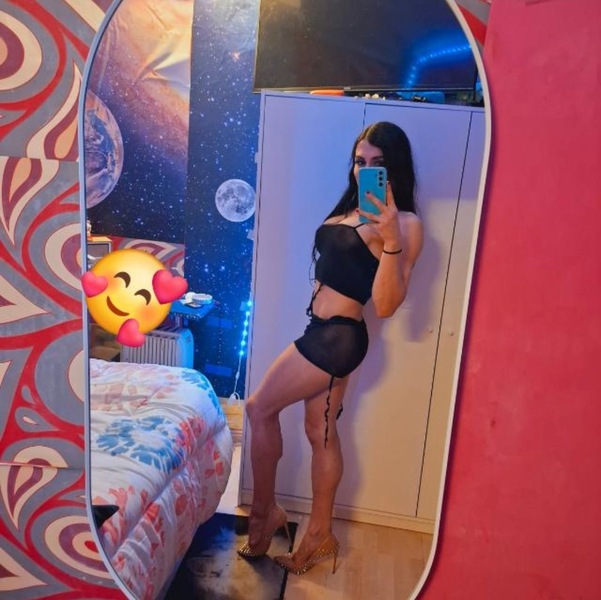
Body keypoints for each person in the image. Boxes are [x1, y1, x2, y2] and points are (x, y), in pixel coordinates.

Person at [237, 121, 424, 575]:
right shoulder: (349, 208)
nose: (365, 170)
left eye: (378, 163)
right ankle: (319, 534)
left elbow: (386, 305)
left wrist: (392, 240)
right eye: (360, 161)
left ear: (395, 168)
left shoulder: (405, 224)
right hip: (321, 330)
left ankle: (264, 514)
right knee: (320, 431)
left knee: (259, 408)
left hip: (337, 338)